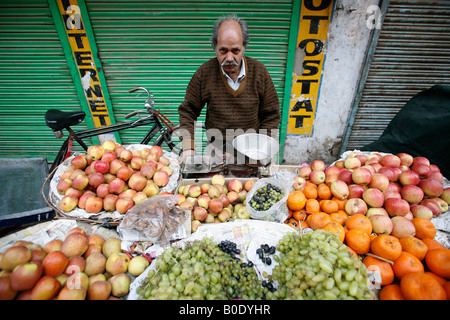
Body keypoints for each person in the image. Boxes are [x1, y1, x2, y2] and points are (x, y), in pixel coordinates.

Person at [177, 14, 281, 165]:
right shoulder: (205, 73)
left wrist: (265, 147)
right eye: (223, 50)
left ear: (244, 47)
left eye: (236, 51)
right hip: (216, 151)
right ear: (215, 46)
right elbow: (188, 111)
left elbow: (271, 115)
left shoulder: (259, 72)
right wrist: (188, 148)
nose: (230, 57)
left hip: (251, 151)